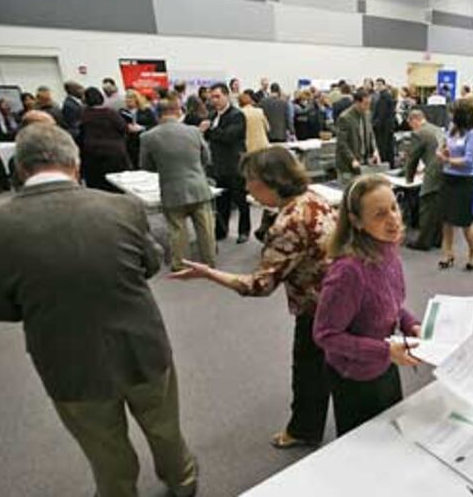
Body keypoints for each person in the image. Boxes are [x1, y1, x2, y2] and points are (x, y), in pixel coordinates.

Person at [0, 123, 197, 497]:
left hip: (66, 360)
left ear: (20, 169)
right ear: (74, 164)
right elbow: (150, 265)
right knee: (165, 428)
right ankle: (183, 482)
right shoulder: (123, 207)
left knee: (103, 448)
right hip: (142, 347)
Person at [170, 146, 336, 448]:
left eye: (251, 180)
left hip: (319, 307)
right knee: (326, 365)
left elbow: (258, 286)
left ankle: (303, 430)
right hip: (338, 294)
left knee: (308, 369)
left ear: (273, 180)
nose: (247, 187)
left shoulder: (288, 223)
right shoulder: (312, 198)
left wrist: (208, 273)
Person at [313, 174, 420, 436]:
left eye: (394, 208)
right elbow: (325, 335)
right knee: (364, 449)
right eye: (380, 214)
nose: (394, 218)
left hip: (384, 364)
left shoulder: (388, 250)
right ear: (357, 222)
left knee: (391, 434)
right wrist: (385, 350)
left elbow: (389, 302)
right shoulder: (348, 272)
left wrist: (411, 324)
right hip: (355, 377)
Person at [140, 98, 216, 271]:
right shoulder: (194, 132)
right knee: (206, 229)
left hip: (171, 189)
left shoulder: (147, 137)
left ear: (157, 114)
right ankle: (209, 261)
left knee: (177, 230)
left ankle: (181, 265)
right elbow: (207, 158)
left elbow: (146, 166)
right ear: (178, 111)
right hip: (198, 186)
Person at [437, 100, 473, 270]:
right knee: (446, 220)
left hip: (464, 182)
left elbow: (469, 161)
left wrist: (448, 160)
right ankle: (448, 253)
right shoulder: (452, 129)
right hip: (448, 178)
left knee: (464, 223)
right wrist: (441, 153)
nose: (449, 116)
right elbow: (442, 147)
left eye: (452, 113)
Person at [204, 82, 250, 243]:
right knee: (221, 202)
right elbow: (208, 138)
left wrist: (210, 130)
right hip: (218, 165)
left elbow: (229, 137)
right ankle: (221, 231)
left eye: (217, 96)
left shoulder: (236, 115)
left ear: (226, 95)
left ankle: (244, 231)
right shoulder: (211, 115)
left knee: (241, 200)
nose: (214, 100)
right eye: (212, 98)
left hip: (235, 165)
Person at [404, 110, 444, 250]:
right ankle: (438, 239)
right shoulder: (437, 129)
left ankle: (424, 242)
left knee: (426, 204)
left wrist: (408, 177)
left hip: (433, 173)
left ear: (413, 120)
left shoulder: (419, 133)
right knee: (438, 206)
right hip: (446, 170)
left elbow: (412, 157)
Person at [78, 87, 130, 192]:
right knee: (117, 184)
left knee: (98, 184)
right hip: (113, 151)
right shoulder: (110, 113)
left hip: (92, 153)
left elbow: (81, 132)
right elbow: (123, 128)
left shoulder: (84, 114)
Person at [335, 88, 379, 180]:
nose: (368, 107)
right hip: (348, 165)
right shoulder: (345, 118)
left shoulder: (367, 114)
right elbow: (342, 143)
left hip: (363, 162)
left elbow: (371, 135)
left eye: (369, 104)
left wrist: (374, 150)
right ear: (357, 103)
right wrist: (352, 159)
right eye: (365, 104)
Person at [120, 89, 157, 169]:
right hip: (129, 143)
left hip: (143, 141)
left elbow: (154, 125)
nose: (128, 100)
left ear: (137, 99)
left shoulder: (146, 111)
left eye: (130, 98)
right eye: (127, 98)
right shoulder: (122, 112)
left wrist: (142, 128)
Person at [373, 78, 396, 168]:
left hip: (383, 129)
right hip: (387, 127)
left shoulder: (384, 97)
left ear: (383, 85)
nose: (377, 87)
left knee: (384, 149)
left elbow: (381, 114)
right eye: (376, 85)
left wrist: (374, 125)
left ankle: (386, 166)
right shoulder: (386, 96)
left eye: (379, 85)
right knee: (388, 148)